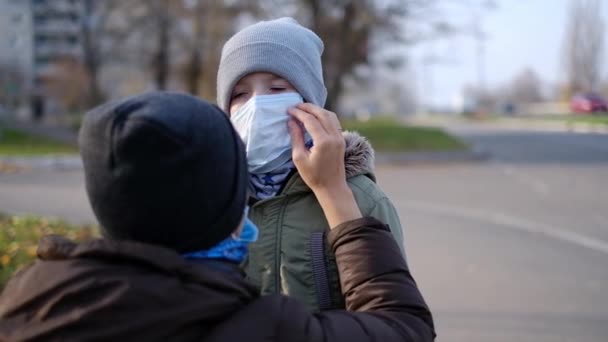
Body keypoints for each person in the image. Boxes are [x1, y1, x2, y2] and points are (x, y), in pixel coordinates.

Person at [0, 92, 434, 341]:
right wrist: (335, 193)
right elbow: (401, 327)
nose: (259, 102)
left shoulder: (29, 300)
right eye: (242, 93)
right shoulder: (261, 328)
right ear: (229, 210)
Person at [217, 17, 407, 310]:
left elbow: (387, 312)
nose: (256, 105)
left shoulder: (363, 201)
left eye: (277, 89)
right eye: (240, 94)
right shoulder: (210, 198)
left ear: (312, 106)